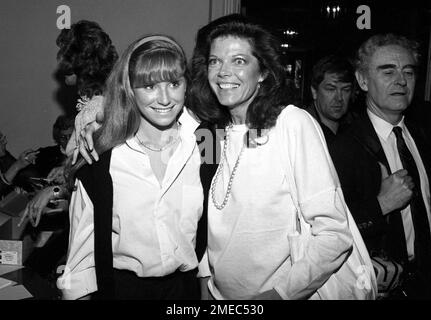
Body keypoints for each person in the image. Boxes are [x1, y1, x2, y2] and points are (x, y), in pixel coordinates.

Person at [56, 35, 204, 300]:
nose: (164, 98)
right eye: (148, 86)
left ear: (186, 85)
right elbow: (79, 265)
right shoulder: (99, 161)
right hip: (123, 292)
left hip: (186, 292)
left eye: (174, 83)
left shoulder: (204, 147)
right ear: (129, 89)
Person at [329, 33, 431, 299]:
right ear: (362, 81)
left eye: (408, 72)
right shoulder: (342, 148)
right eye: (388, 72)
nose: (400, 80)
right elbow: (327, 230)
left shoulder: (423, 136)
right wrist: (381, 205)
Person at [304, 55, 356, 145]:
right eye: (331, 89)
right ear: (314, 91)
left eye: (346, 90)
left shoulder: (358, 127)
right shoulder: (300, 128)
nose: (339, 98)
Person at [0, 130, 39, 198]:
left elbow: (25, 176)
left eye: (4, 138)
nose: (5, 142)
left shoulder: (4, 157)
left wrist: (25, 162)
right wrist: (17, 165)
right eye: (1, 140)